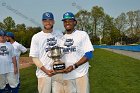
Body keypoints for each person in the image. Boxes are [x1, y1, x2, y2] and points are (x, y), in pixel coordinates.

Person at [59, 12, 94, 93]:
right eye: (65, 21)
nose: (67, 23)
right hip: (66, 76)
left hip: (81, 74)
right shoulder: (61, 38)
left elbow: (89, 54)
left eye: (70, 20)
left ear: (75, 22)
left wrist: (74, 66)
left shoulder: (82, 34)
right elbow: (59, 57)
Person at [29, 12, 63, 93]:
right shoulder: (36, 37)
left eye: (50, 20)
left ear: (54, 21)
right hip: (43, 74)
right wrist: (46, 71)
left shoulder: (59, 33)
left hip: (58, 72)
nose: (48, 22)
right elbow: (34, 57)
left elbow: (63, 51)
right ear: (42, 22)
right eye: (45, 20)